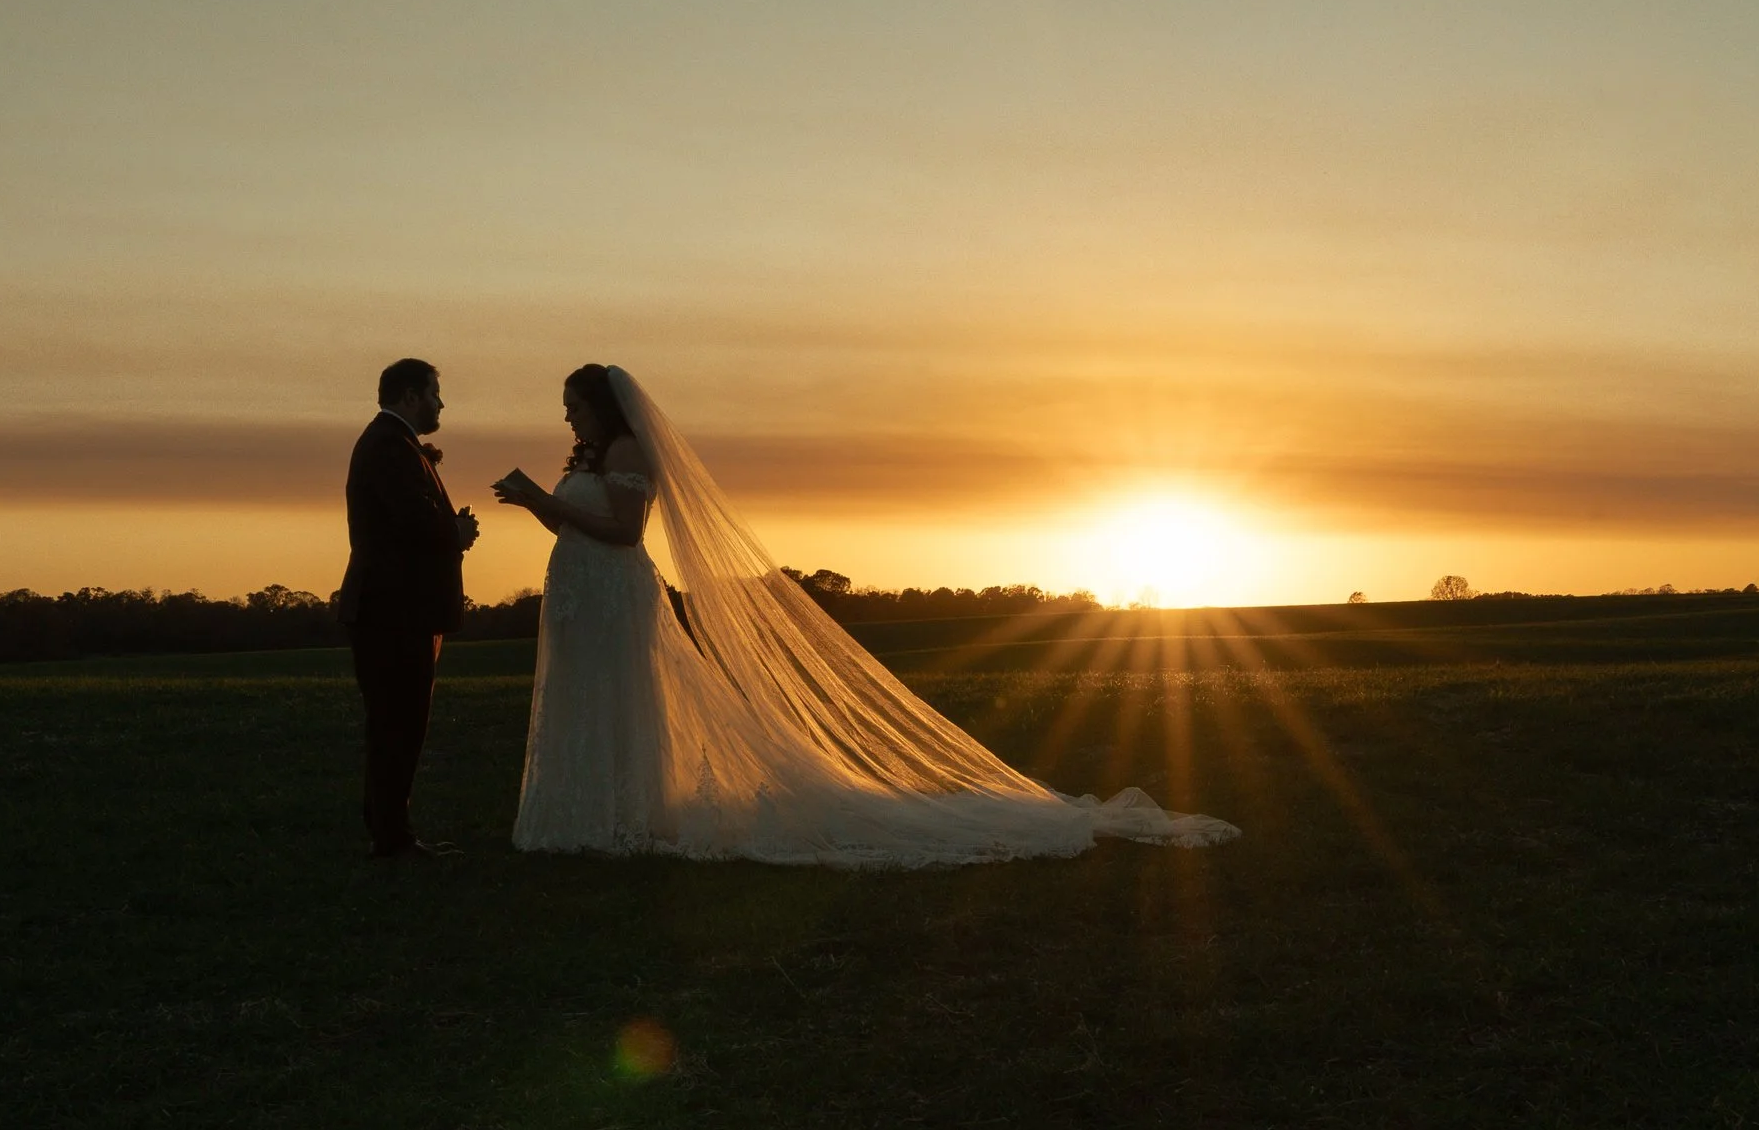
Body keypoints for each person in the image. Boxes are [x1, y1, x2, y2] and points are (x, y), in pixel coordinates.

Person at [491, 364, 1238, 865]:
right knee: (584, 698)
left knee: (618, 700)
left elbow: (624, 532)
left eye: (573, 405)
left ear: (602, 406)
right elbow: (576, 525)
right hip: (581, 600)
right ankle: (591, 814)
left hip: (616, 597)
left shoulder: (624, 446)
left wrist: (540, 499)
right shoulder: (591, 457)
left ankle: (620, 815)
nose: (567, 417)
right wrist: (541, 508)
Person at [336, 357, 478, 857]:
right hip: (395, 612)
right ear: (411, 396)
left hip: (396, 610)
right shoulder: (389, 446)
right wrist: (456, 533)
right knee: (399, 725)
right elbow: (409, 523)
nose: (441, 403)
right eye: (435, 393)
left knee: (395, 725)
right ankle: (393, 838)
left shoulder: (392, 444)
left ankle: (390, 831)